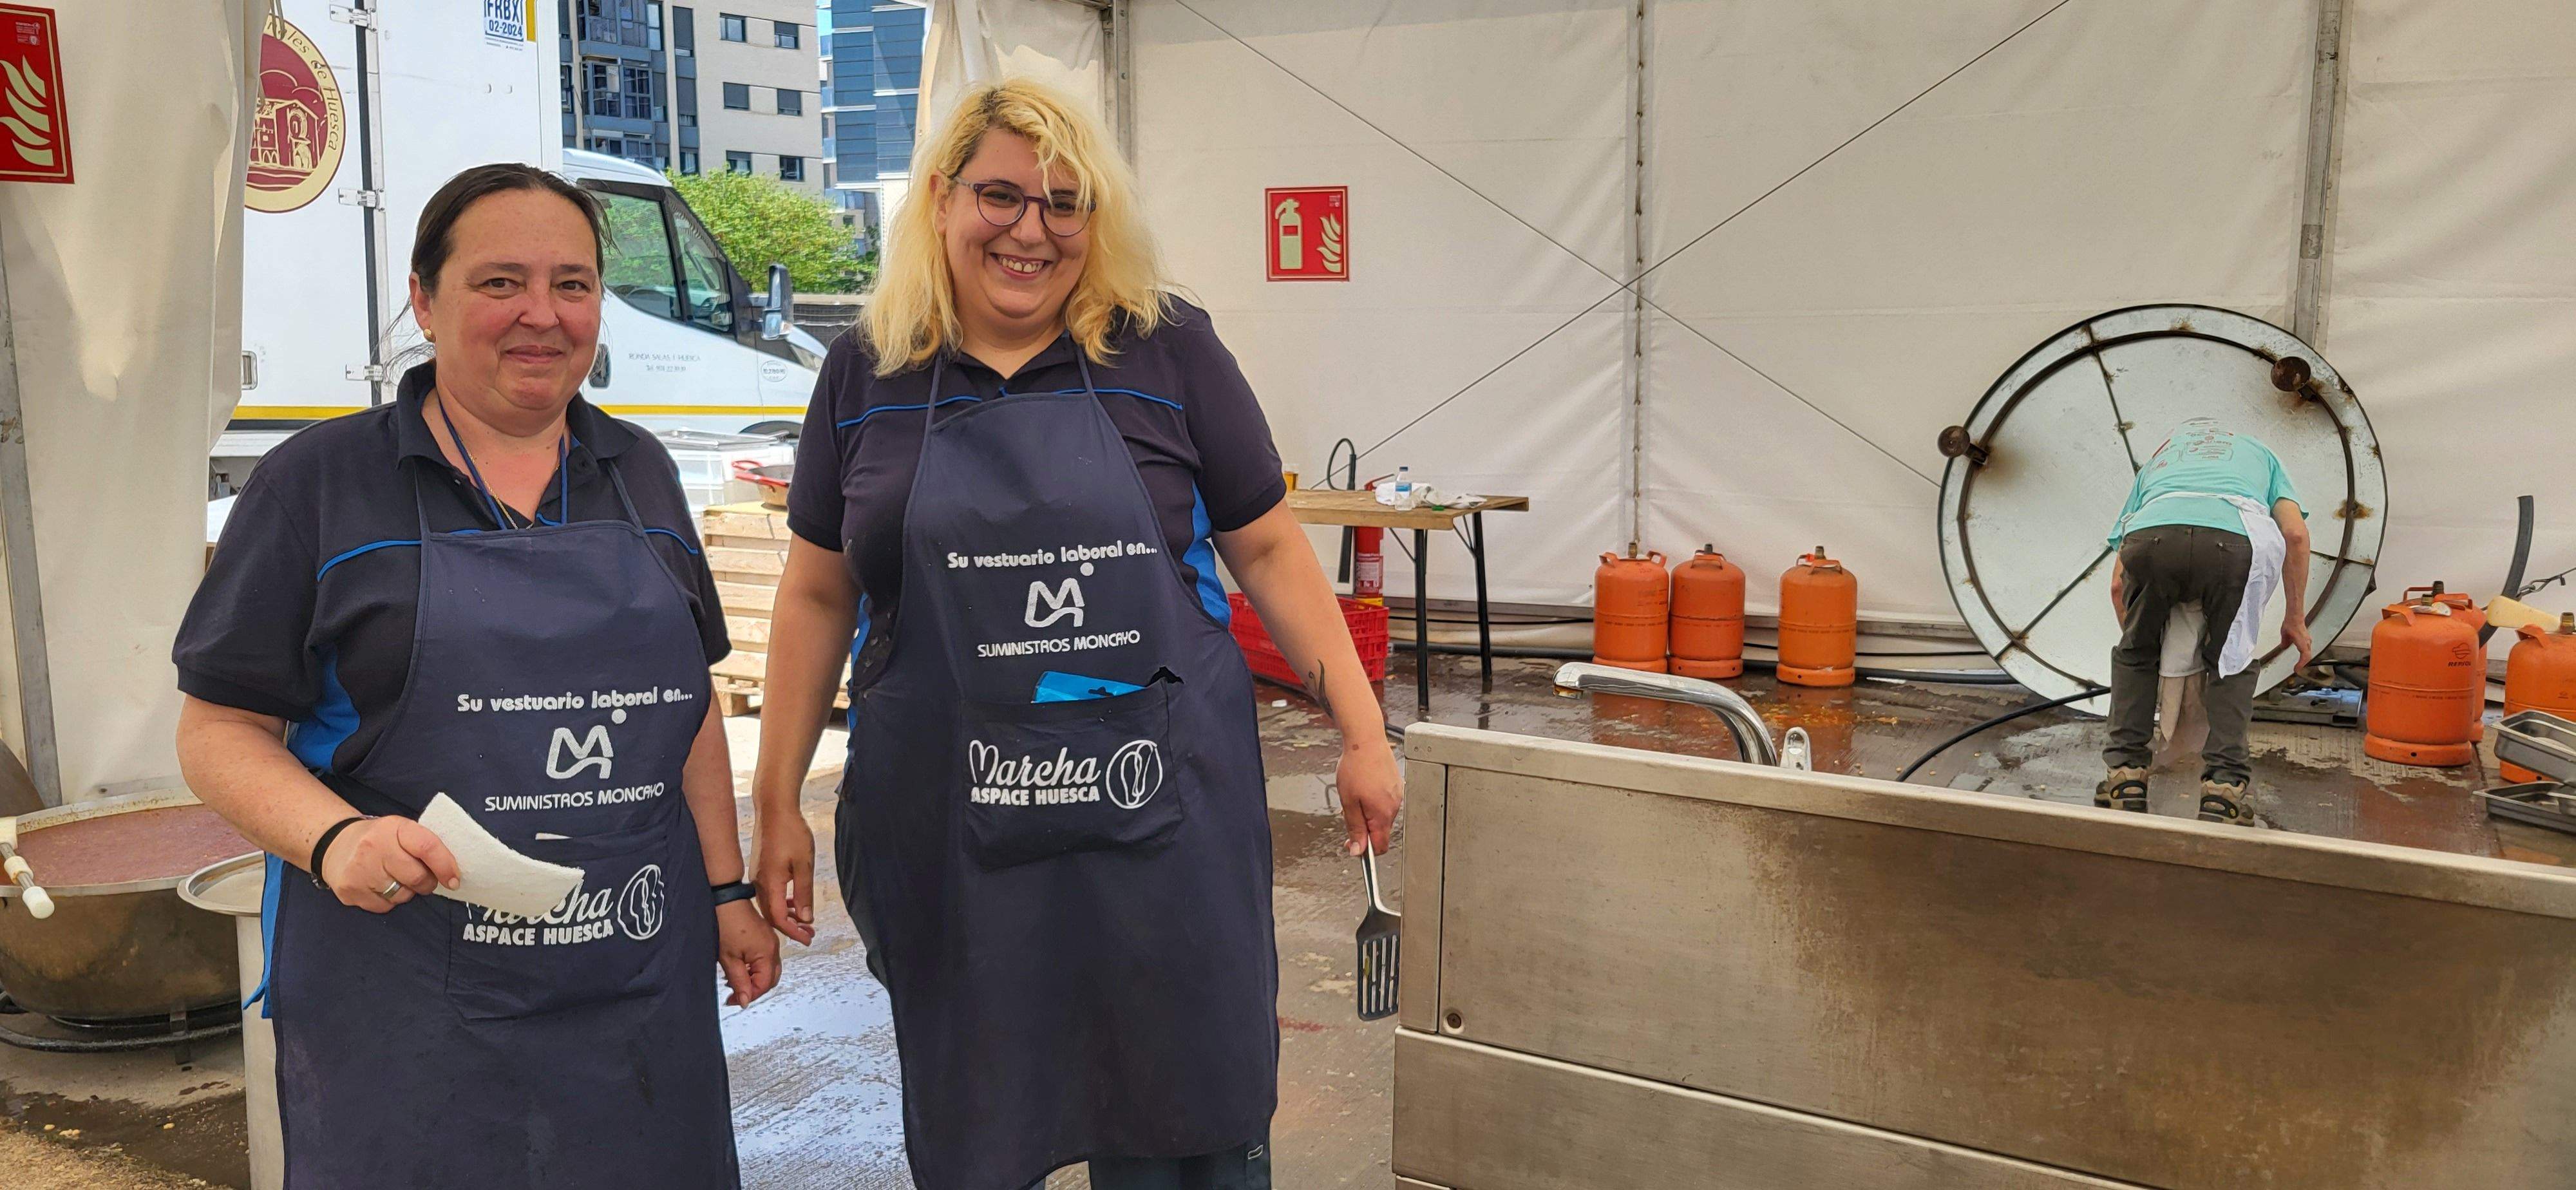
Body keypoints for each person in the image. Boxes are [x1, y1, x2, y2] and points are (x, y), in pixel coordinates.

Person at [749, 78, 1403, 1190]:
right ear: (944, 198)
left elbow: (1271, 549)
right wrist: (774, 804)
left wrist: (1363, 725)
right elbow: (817, 594)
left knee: (1182, 1119)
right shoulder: (870, 366)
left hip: (1162, 831)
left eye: (1065, 202)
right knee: (979, 1118)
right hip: (955, 833)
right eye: (1000, 195)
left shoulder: (1165, 347)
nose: (1030, 230)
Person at [173, 164, 777, 1187]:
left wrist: (726, 891)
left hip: (631, 978)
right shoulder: (320, 483)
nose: (542, 315)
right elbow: (219, 729)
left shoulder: (642, 472)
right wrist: (335, 840)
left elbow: (687, 708)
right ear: (424, 296)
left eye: (574, 284)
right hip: (407, 996)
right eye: (501, 282)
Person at [2099, 417, 2313, 825]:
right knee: (2230, 661)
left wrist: (2142, 651)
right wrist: (2295, 619)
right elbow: (2296, 536)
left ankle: (2125, 777)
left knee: (2135, 652)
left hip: (2152, 537)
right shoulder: (2262, 455)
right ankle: (2223, 791)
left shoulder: (2158, 463)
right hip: (2235, 543)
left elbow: (2116, 586)